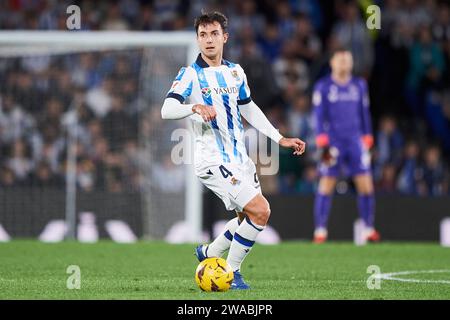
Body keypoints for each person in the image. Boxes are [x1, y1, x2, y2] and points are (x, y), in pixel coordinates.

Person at [161, 11, 306, 289]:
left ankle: (210, 253)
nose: (208, 40)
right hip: (211, 160)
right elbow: (167, 109)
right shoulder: (190, 75)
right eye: (203, 35)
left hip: (239, 158)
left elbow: (248, 107)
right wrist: (194, 106)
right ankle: (231, 271)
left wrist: (279, 138)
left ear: (224, 37)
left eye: (214, 33)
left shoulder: (235, 71)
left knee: (245, 218)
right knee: (261, 212)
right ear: (197, 40)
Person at [312, 48, 380, 244]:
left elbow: (364, 111)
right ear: (332, 62)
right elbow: (318, 114)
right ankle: (320, 230)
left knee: (366, 185)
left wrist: (368, 135)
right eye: (340, 60)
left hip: (355, 141)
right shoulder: (323, 86)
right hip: (333, 143)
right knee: (326, 184)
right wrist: (321, 138)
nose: (344, 64)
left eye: (347, 60)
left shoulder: (359, 85)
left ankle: (368, 228)